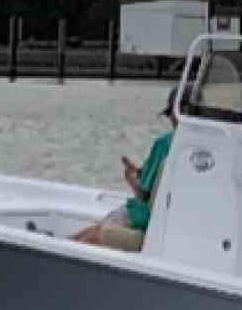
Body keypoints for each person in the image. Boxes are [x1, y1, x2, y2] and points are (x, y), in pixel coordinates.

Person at [75, 89, 178, 245]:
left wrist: (131, 178)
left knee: (88, 236)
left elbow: (144, 195)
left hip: (145, 220)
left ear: (175, 113)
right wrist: (141, 173)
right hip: (170, 224)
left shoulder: (165, 143)